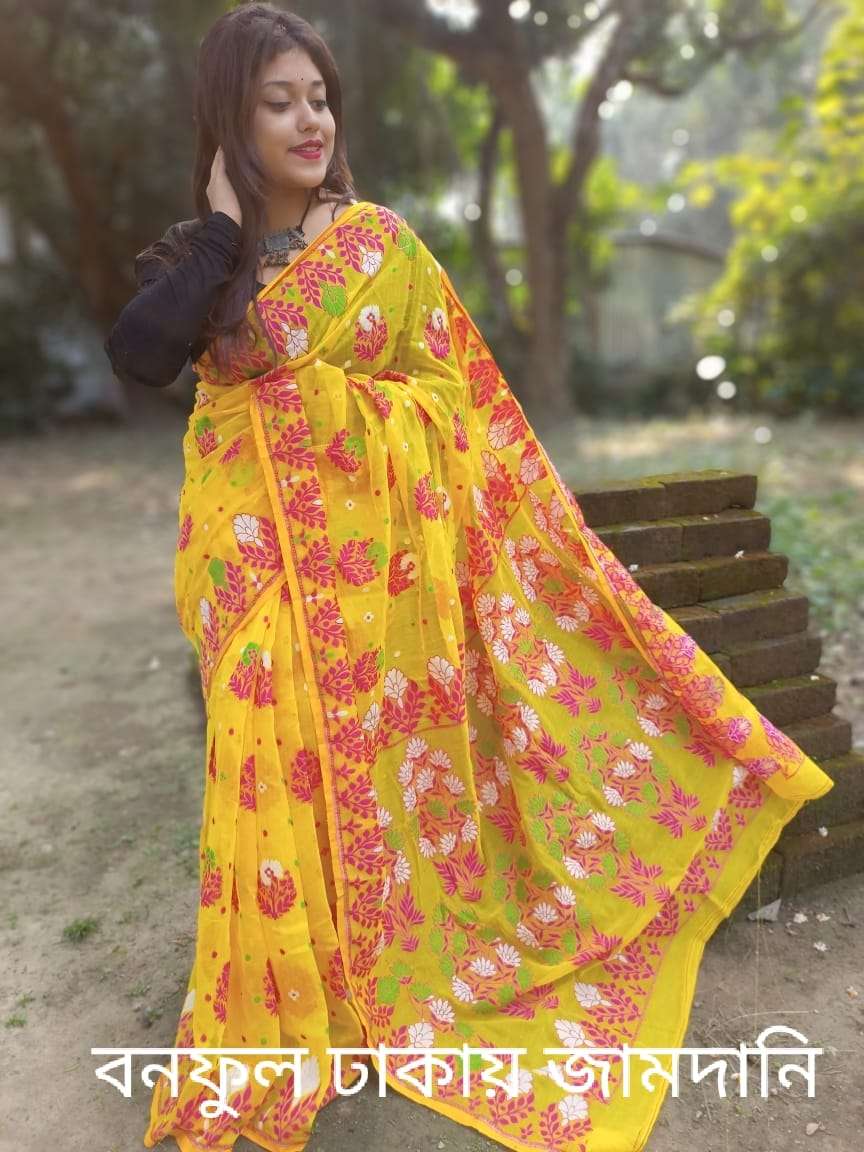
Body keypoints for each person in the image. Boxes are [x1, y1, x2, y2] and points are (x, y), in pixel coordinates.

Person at [103, 5, 834, 1152]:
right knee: (263, 739)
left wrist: (324, 411)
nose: (310, 120)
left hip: (370, 582)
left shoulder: (379, 249)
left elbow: (450, 405)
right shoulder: (207, 259)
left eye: (319, 98)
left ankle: (379, 967)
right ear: (229, 124)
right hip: (251, 575)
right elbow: (142, 354)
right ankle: (307, 975)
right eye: (278, 103)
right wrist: (222, 234)